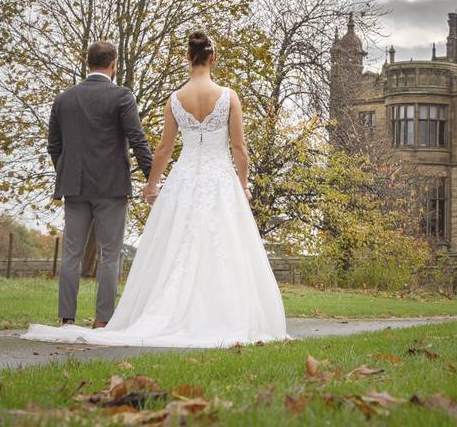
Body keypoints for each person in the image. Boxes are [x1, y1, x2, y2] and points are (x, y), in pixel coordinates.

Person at [23, 32, 288, 347]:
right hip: (198, 181)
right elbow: (238, 147)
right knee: (123, 254)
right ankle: (105, 319)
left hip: (161, 180)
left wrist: (152, 185)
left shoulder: (173, 99)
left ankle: (67, 319)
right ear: (212, 58)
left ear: (188, 58)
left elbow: (162, 148)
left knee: (78, 253)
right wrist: (242, 185)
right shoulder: (226, 96)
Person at [44, 41, 153, 329]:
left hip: (74, 187)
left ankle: (67, 319)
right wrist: (152, 177)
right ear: (113, 64)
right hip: (111, 187)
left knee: (71, 254)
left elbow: (54, 146)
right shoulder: (122, 96)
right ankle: (102, 320)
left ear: (87, 62)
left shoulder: (63, 99)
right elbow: (138, 139)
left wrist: (67, 172)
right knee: (110, 255)